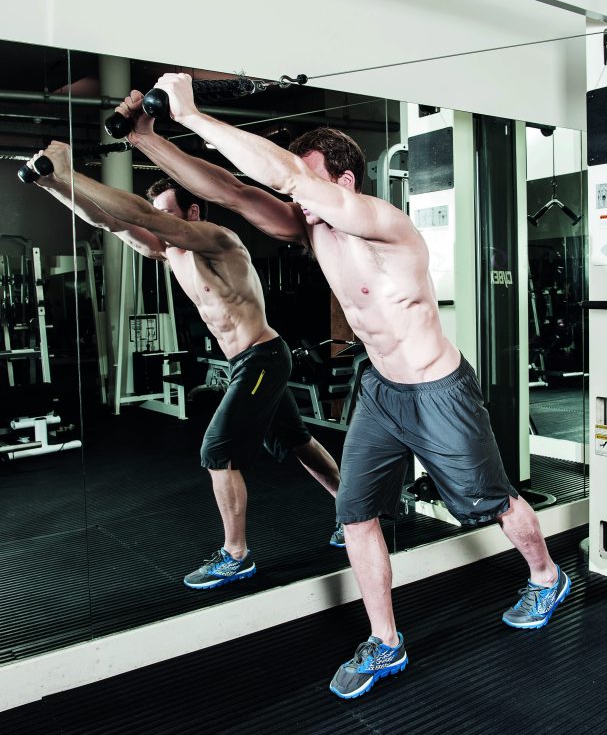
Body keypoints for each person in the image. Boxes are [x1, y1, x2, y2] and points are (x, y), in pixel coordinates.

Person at [121, 73, 572, 699]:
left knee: (493, 503)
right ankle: (385, 642)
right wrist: (148, 140)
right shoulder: (313, 227)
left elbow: (284, 179)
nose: (295, 197)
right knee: (356, 514)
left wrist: (193, 114)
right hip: (382, 393)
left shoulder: (386, 226)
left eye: (305, 181)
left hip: (438, 391)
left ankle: (546, 575)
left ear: (344, 182)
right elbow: (227, 188)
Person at [28, 140, 343, 592]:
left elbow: (142, 216)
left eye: (168, 211)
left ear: (193, 213)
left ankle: (237, 556)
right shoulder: (169, 251)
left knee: (217, 451)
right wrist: (54, 183)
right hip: (243, 362)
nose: (158, 218)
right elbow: (109, 220)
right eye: (158, 211)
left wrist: (70, 171)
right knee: (297, 441)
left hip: (263, 357)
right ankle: (356, 513)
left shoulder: (220, 241)